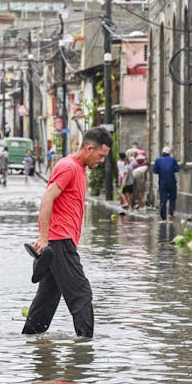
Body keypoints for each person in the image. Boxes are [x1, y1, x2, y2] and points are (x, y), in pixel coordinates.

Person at [22, 126, 113, 339]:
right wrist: (43, 238)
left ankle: (30, 339)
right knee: (81, 293)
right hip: (59, 241)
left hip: (60, 242)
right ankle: (85, 346)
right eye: (101, 156)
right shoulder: (69, 167)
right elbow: (47, 199)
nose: (101, 161)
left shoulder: (78, 169)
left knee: (47, 297)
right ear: (89, 148)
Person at [152, 146, 180, 221]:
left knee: (163, 198)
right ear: (169, 153)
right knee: (172, 198)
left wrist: (161, 171)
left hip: (162, 182)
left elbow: (154, 171)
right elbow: (177, 169)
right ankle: (171, 213)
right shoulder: (173, 160)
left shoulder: (158, 160)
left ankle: (163, 215)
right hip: (172, 182)